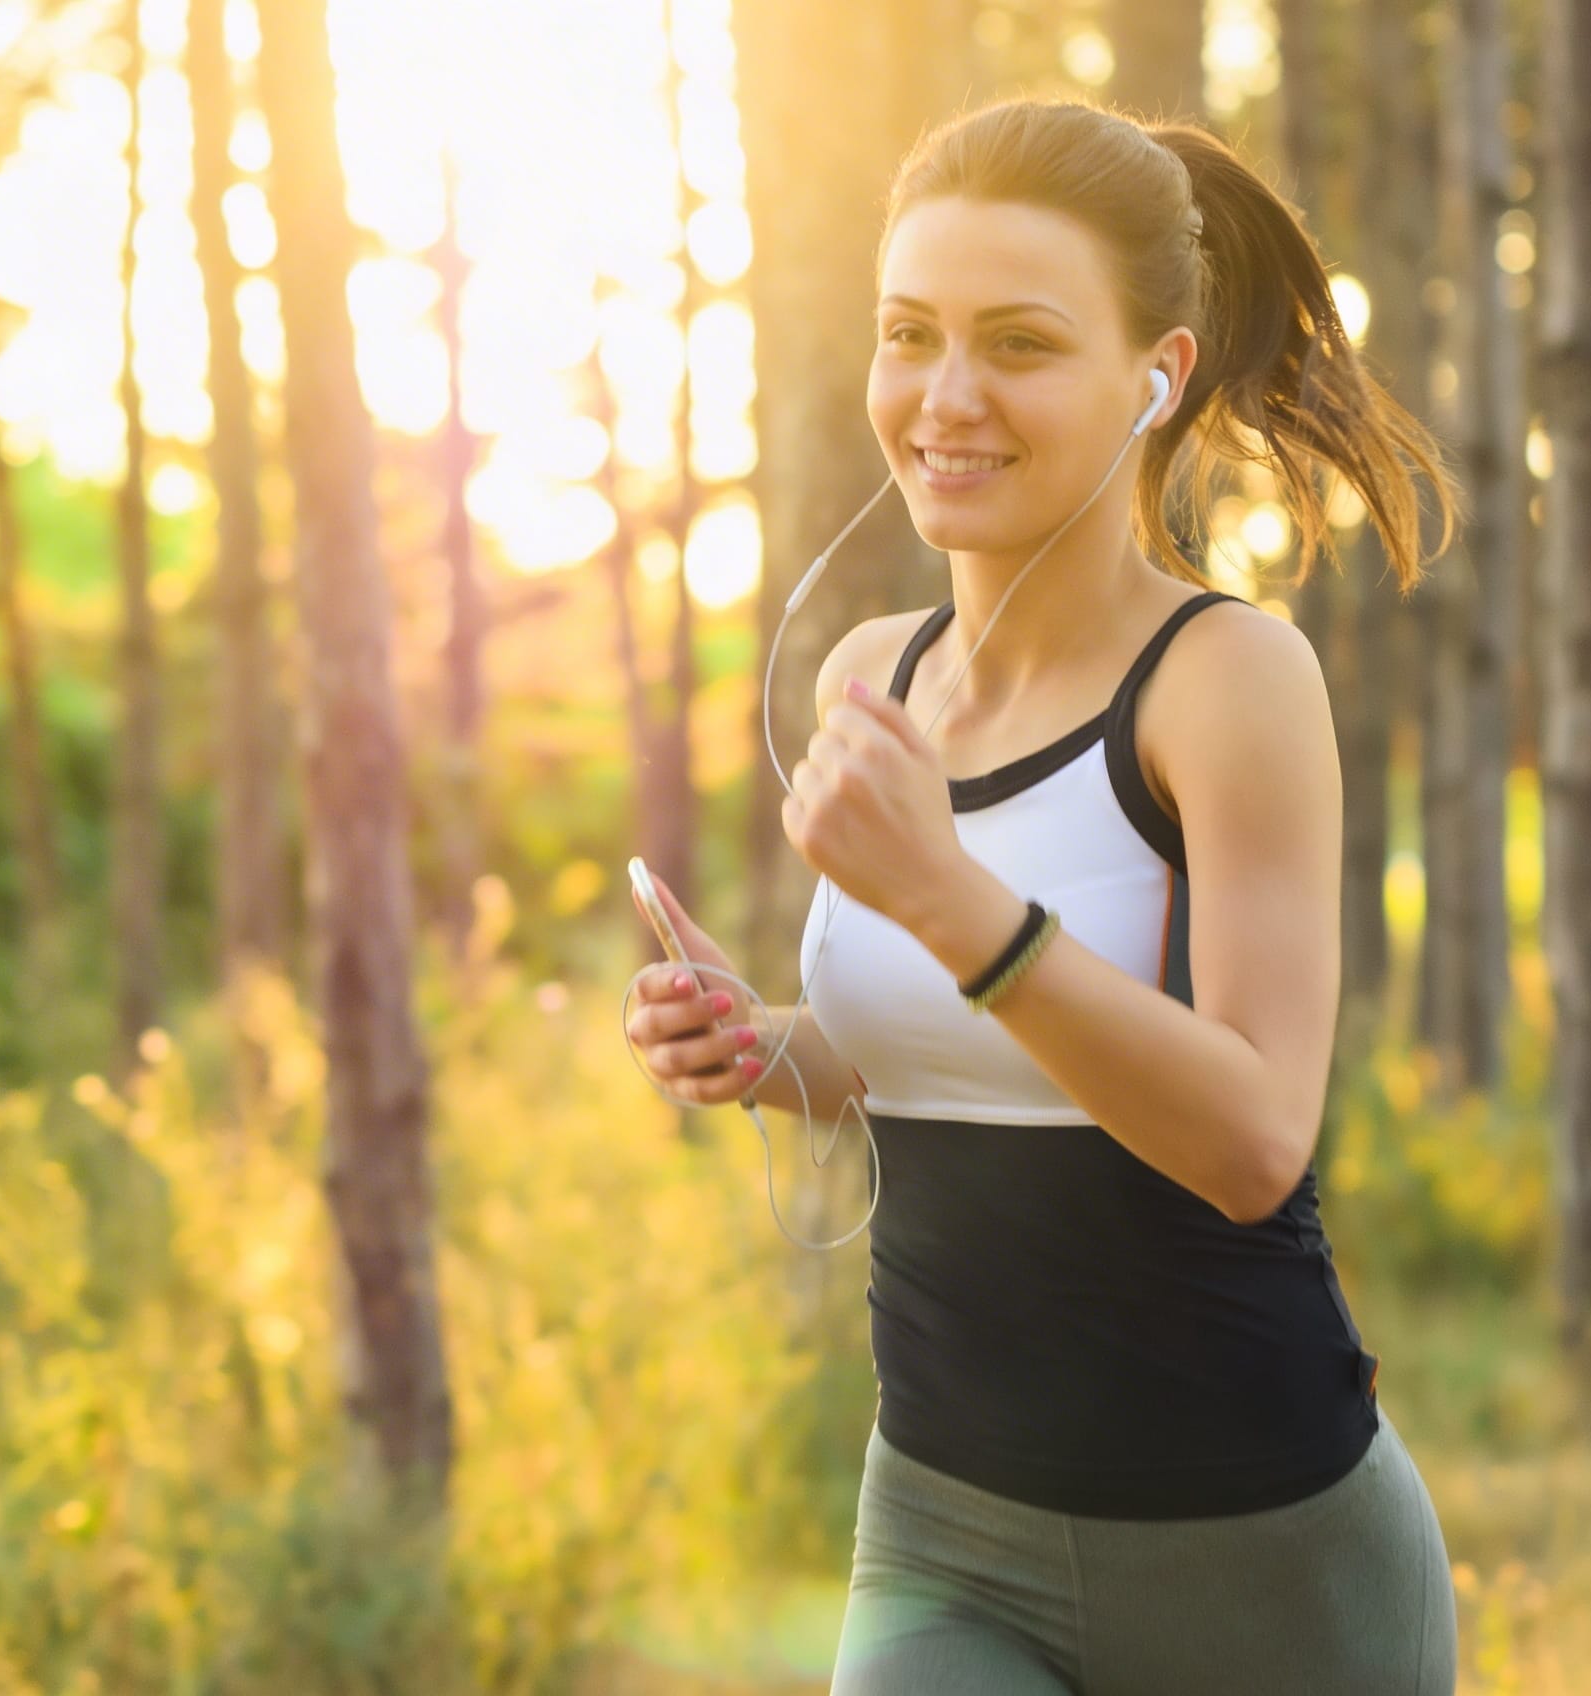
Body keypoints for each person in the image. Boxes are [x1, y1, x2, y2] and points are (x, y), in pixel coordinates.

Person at [623, 97, 1459, 1695]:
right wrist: (761, 1045)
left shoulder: (1224, 681)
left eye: (1018, 343)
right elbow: (935, 1059)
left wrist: (948, 900)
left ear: (1158, 377)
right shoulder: (879, 673)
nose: (947, 397)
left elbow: (1253, 1137)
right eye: (910, 335)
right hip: (945, 1528)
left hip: (1259, 1554)